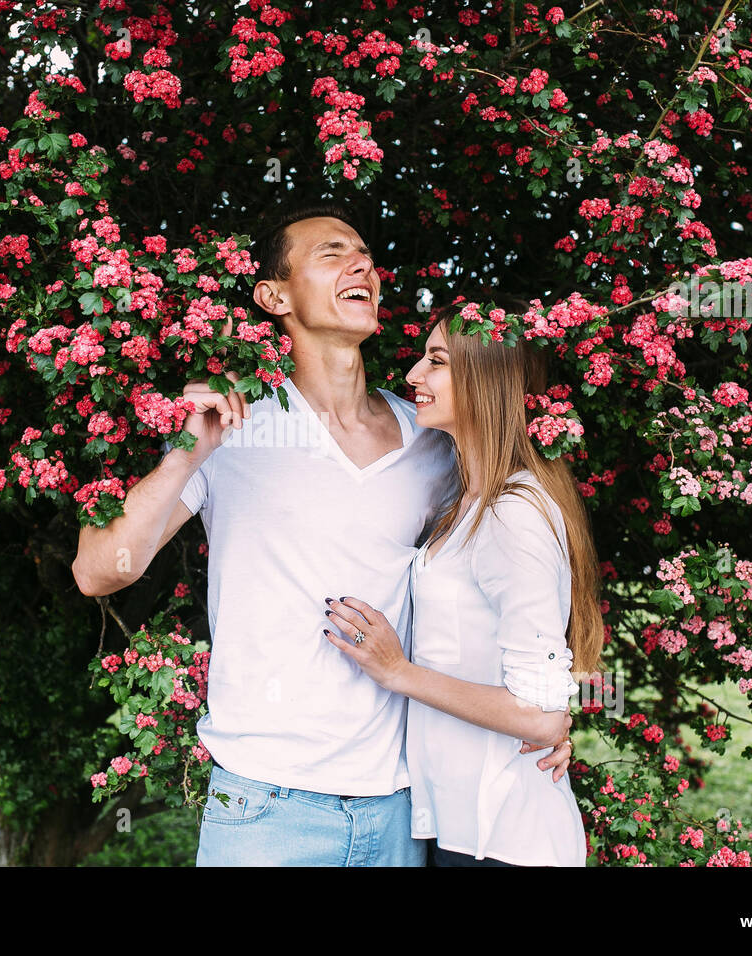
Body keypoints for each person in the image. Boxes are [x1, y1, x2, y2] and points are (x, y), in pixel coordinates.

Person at [73, 207, 572, 867]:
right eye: (333, 253)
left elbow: (513, 585)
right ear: (274, 296)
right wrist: (184, 454)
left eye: (365, 253)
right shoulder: (230, 424)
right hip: (263, 807)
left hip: (399, 808)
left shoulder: (434, 440)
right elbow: (98, 573)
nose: (360, 263)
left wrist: (538, 717)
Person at [323, 301, 603, 867]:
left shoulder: (514, 512)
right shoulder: (468, 502)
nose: (412, 377)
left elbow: (540, 715)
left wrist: (398, 672)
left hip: (506, 837)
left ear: (487, 381)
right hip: (462, 828)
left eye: (437, 361)